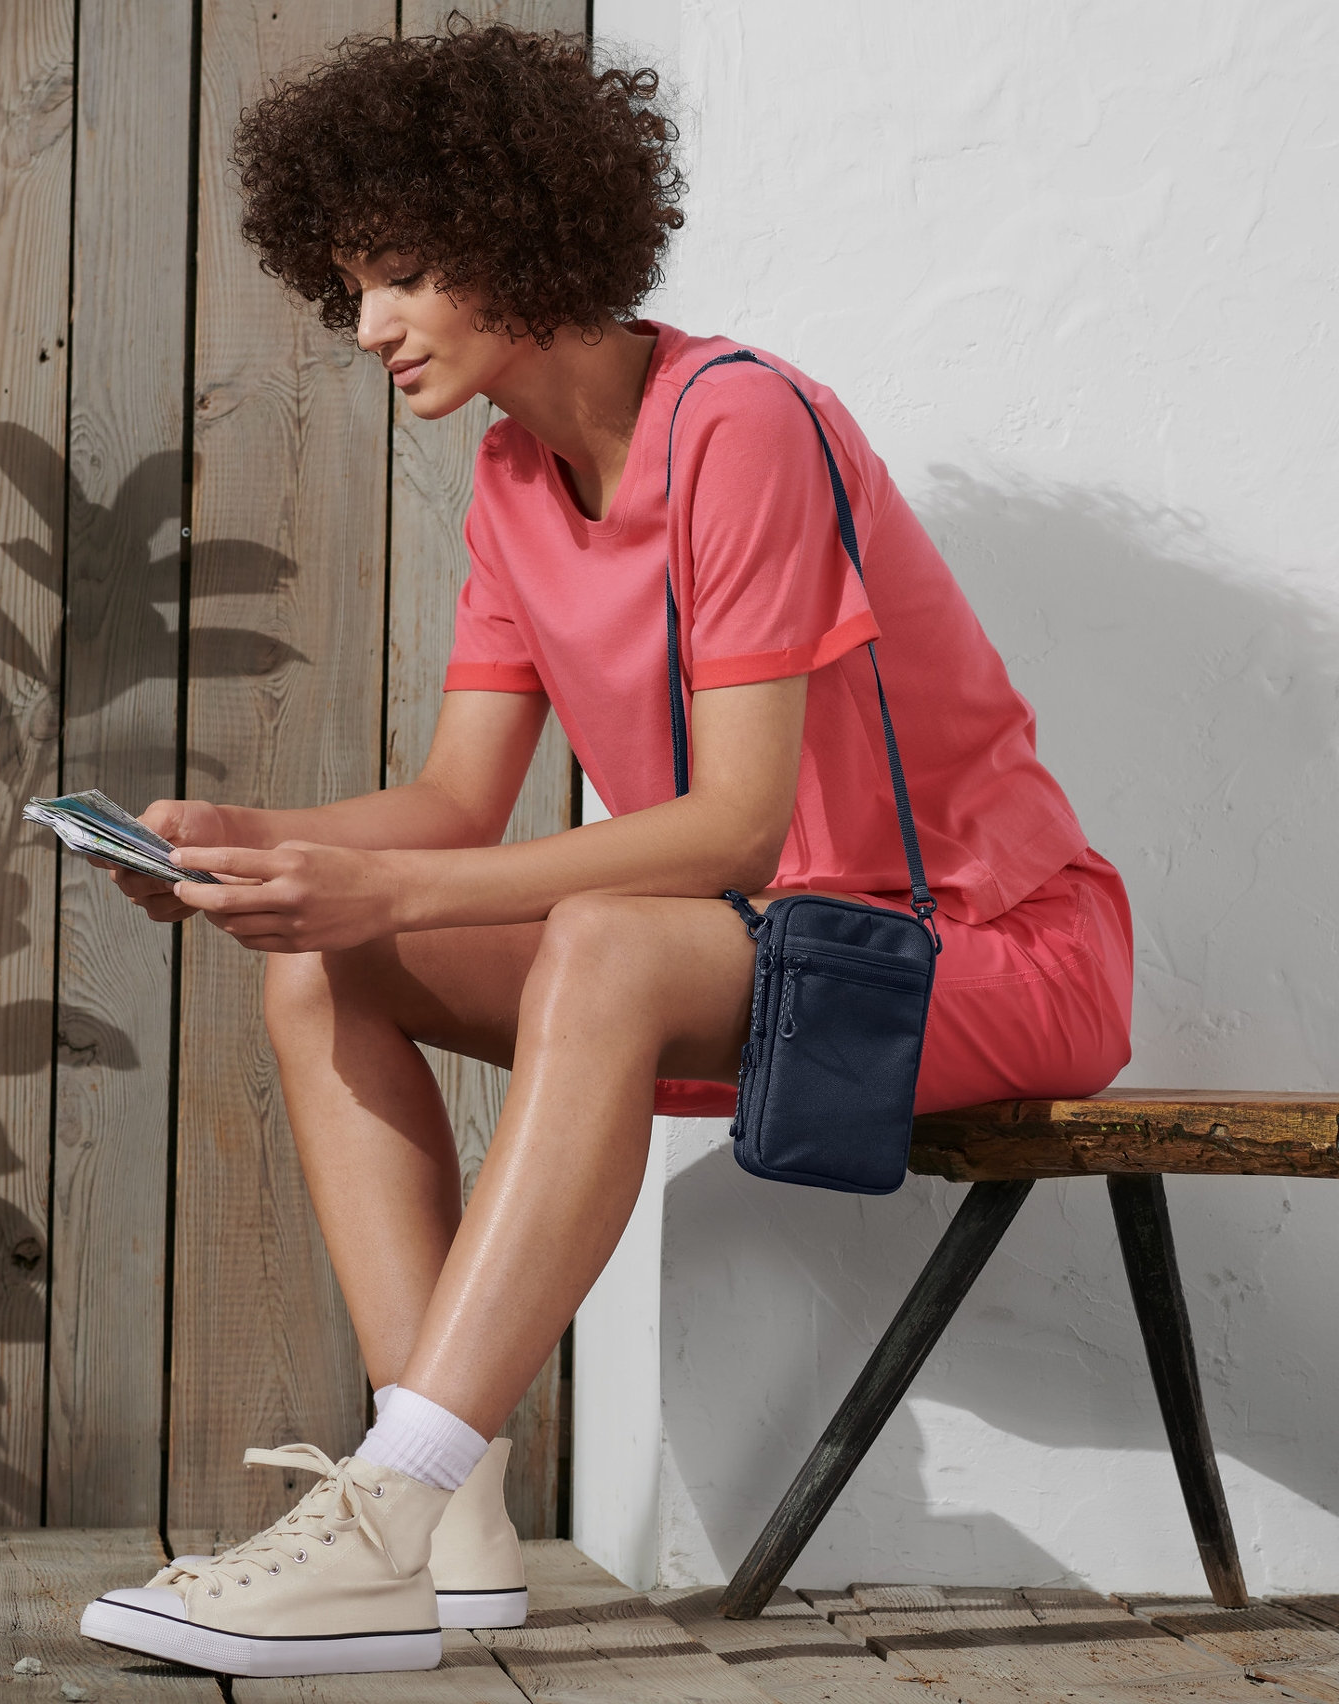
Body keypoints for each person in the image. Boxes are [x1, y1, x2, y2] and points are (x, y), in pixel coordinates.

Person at [79, 20, 1132, 1679]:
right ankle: (458, 1498)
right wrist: (254, 846)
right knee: (320, 956)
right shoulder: (515, 475)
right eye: (349, 282)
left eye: (404, 274)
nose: (366, 328)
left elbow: (735, 825)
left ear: (520, 229)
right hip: (765, 954)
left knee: (609, 936)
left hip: (981, 955)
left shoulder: (744, 423)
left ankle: (387, 1505)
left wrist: (395, 883)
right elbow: (447, 808)